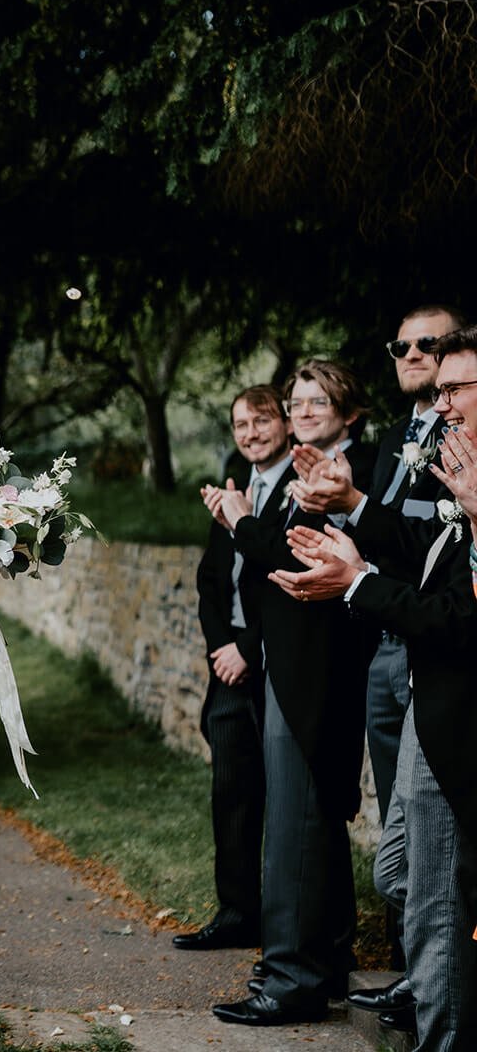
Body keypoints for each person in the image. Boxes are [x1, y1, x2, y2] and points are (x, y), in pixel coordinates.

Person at [273, 328, 477, 1050]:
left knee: (434, 901)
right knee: (401, 876)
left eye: (457, 391)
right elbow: (425, 554)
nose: (442, 405)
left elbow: (459, 617)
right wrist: (353, 522)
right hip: (432, 700)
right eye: (440, 390)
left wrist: (355, 582)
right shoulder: (464, 476)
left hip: (458, 712)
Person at [206, 359, 378, 1026]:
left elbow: (288, 555)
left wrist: (243, 521)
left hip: (319, 661)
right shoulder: (312, 466)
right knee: (306, 819)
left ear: (351, 412)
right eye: (298, 399)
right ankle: (320, 962)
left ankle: (291, 979)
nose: (304, 410)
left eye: (319, 400)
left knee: (298, 823)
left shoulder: (342, 476)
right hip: (291, 657)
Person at [176, 385, 293, 953]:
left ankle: (288, 920)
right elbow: (209, 581)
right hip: (228, 672)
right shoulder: (235, 489)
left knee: (287, 797)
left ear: (287, 423)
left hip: (278, 667)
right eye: (241, 424)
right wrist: (222, 648)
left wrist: (249, 647)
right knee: (232, 793)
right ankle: (235, 912)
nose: (250, 432)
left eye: (262, 420)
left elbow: (286, 581)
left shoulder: (302, 488)